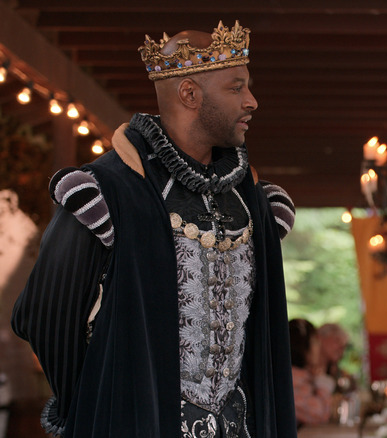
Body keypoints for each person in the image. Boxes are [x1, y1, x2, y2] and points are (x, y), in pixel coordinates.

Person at [11, 21, 298, 437]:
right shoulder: (106, 193)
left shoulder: (253, 201)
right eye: (236, 87)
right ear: (189, 94)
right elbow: (40, 316)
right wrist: (98, 400)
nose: (252, 101)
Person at [289, 318, 335, 428]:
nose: (318, 346)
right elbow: (319, 415)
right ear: (303, 346)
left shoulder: (302, 376)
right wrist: (323, 386)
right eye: (315, 341)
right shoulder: (292, 380)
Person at [317, 322, 353, 391]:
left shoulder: (336, 372)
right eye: (337, 340)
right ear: (320, 338)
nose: (341, 348)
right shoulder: (304, 367)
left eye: (344, 347)